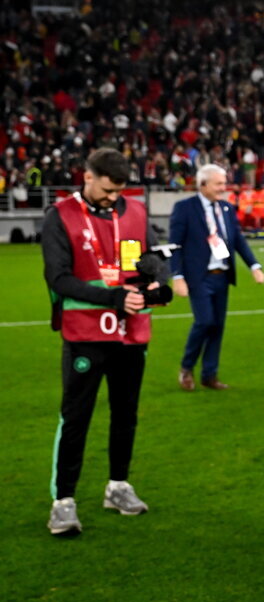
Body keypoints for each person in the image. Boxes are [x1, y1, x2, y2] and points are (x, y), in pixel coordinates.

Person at [42, 148, 169, 536]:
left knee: (125, 414)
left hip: (131, 333)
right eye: (108, 189)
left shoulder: (134, 211)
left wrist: (157, 281)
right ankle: (63, 501)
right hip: (85, 334)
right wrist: (114, 297)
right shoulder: (59, 215)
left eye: (119, 190)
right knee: (75, 417)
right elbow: (58, 279)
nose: (114, 197)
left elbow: (151, 256)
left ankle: (118, 486)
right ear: (88, 176)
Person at [170, 164, 264, 391]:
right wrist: (177, 276)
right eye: (219, 183)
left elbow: (238, 240)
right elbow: (175, 245)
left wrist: (254, 265)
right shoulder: (184, 208)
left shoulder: (226, 208)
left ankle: (209, 374)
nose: (224, 188)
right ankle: (186, 367)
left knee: (217, 326)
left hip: (221, 276)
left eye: (224, 183)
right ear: (202, 184)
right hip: (198, 277)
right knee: (204, 322)